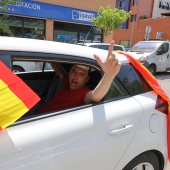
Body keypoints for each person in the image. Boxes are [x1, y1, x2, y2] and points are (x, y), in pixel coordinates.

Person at [39, 41, 121, 113]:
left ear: (87, 79)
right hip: (41, 111)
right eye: (74, 71)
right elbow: (60, 71)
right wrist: (49, 57)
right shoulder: (67, 81)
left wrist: (109, 76)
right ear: (70, 72)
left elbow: (95, 96)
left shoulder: (84, 93)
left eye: (81, 74)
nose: (75, 76)